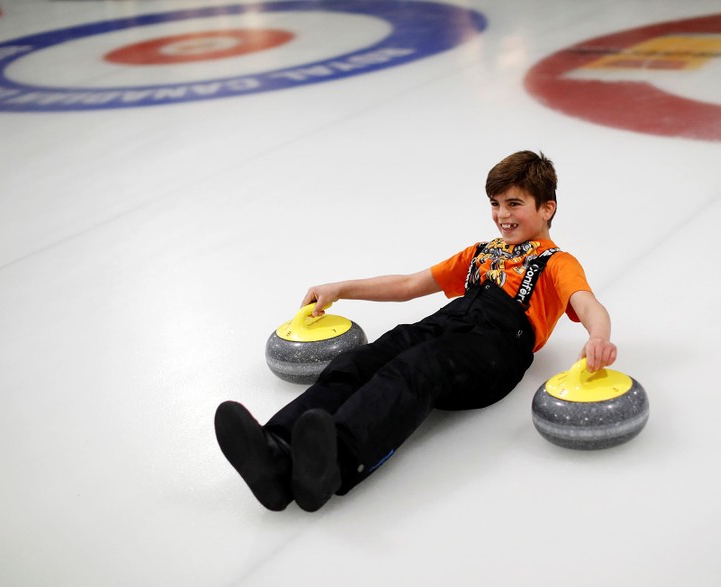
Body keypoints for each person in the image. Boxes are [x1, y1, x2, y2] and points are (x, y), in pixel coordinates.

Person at [214, 150, 617, 512]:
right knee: (364, 360)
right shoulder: (481, 253)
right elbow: (409, 285)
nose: (502, 215)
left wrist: (598, 337)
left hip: (496, 346)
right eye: (495, 204)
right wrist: (342, 288)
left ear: (547, 208)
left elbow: (586, 303)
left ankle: (335, 462)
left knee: (418, 368)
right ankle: (276, 450)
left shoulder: (556, 262)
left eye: (515, 204)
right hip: (446, 324)